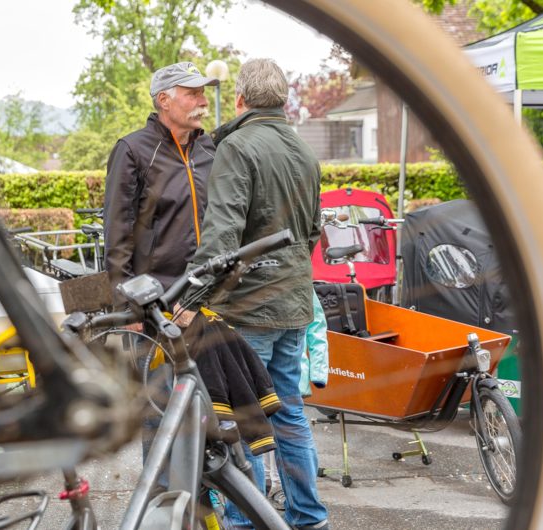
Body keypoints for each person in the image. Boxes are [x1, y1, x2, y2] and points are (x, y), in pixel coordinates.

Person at [188, 58, 329, 530]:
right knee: (288, 414)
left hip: (247, 308)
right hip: (293, 304)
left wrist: (190, 294)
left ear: (241, 100)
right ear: (283, 100)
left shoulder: (237, 147)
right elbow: (313, 232)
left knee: (244, 418)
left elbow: (222, 235)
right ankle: (309, 518)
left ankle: (248, 521)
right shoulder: (305, 153)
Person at [103, 61, 218, 464]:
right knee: (159, 407)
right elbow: (116, 233)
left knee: (208, 406)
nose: (202, 102)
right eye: (193, 93)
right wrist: (127, 305)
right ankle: (161, 497)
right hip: (154, 305)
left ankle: (202, 500)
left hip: (203, 300)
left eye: (204, 93)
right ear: (164, 99)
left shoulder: (209, 148)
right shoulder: (133, 149)